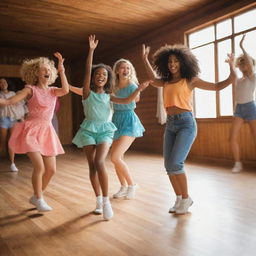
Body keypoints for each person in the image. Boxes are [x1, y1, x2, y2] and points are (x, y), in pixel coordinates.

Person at [142, 43, 236, 214]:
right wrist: (144, 60)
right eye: (169, 62)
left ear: (183, 63)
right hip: (171, 124)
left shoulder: (191, 80)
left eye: (176, 61)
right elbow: (152, 79)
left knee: (176, 163)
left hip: (186, 124)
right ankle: (179, 199)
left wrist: (231, 67)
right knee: (168, 165)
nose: (172, 64)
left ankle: (186, 198)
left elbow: (217, 86)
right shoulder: (166, 82)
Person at [71, 35, 149, 220]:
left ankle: (106, 201)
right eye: (98, 74)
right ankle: (98, 200)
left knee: (101, 162)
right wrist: (91, 51)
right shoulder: (87, 92)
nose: (100, 77)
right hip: (88, 130)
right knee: (92, 167)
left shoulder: (110, 96)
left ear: (108, 79)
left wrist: (139, 89)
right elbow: (87, 73)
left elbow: (127, 100)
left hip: (106, 130)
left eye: (104, 75)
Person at [0, 53, 69, 212]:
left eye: (49, 70)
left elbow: (65, 90)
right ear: (36, 73)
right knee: (40, 167)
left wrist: (62, 70)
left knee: (51, 170)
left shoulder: (53, 91)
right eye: (43, 69)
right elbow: (10, 101)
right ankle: (39, 199)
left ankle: (37, 195)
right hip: (31, 130)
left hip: (47, 131)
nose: (47, 72)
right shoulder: (30, 89)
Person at [110, 59, 145, 200]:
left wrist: (137, 89)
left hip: (129, 121)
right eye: (123, 68)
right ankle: (123, 187)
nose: (125, 70)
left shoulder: (132, 86)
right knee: (117, 159)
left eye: (128, 68)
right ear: (117, 71)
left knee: (115, 157)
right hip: (116, 121)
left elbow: (135, 100)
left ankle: (131, 185)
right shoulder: (113, 87)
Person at [230, 34, 256, 173]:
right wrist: (230, 63)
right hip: (239, 108)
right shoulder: (238, 79)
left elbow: (250, 64)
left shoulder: (253, 77)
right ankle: (238, 163)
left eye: (245, 62)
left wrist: (241, 46)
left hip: (251, 107)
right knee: (232, 137)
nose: (243, 64)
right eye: (241, 62)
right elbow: (232, 72)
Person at [0, 78, 27, 171]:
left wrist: (21, 117)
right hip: (3, 119)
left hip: (13, 119)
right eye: (1, 82)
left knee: (12, 141)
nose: (3, 84)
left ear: (8, 83)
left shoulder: (13, 94)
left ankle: (12, 164)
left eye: (4, 82)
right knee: (2, 142)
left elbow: (19, 105)